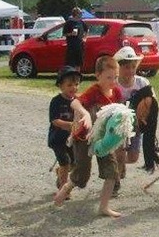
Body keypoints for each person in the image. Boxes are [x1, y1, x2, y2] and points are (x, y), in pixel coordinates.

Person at [53, 56, 124, 217]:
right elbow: (74, 103)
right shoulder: (94, 91)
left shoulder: (117, 92)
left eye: (116, 77)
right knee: (82, 175)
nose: (113, 81)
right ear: (97, 75)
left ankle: (104, 207)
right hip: (84, 138)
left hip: (103, 139)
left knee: (112, 171)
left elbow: (119, 114)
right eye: (109, 77)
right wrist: (85, 113)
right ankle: (66, 187)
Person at [113, 46, 150, 192]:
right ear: (119, 68)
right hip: (118, 124)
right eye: (126, 67)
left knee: (134, 157)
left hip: (136, 125)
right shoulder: (114, 84)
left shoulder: (142, 83)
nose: (130, 71)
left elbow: (151, 101)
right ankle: (115, 180)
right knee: (120, 153)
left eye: (133, 67)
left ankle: (116, 163)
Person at [49, 65, 81, 198]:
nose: (73, 88)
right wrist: (70, 125)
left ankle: (61, 171)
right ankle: (63, 189)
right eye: (69, 85)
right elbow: (55, 120)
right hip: (58, 139)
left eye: (76, 84)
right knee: (66, 162)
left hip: (72, 140)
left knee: (73, 164)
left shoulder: (79, 101)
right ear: (61, 86)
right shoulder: (56, 101)